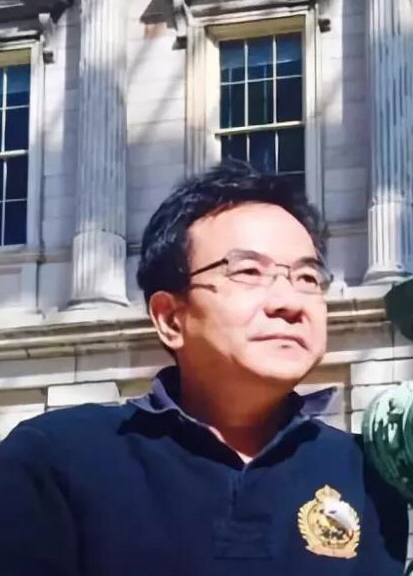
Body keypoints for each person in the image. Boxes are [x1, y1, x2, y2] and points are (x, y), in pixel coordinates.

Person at [0, 163, 407, 575]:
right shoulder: (56, 457)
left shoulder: (369, 474)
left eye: (307, 277)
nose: (289, 302)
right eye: (249, 272)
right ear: (170, 318)